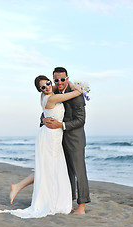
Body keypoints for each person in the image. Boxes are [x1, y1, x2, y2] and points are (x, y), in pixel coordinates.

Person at [7, 75, 82, 218]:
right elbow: (76, 93)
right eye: (43, 86)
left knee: (47, 169)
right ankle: (19, 187)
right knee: (48, 169)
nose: (47, 87)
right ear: (39, 90)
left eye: (48, 83)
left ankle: (18, 186)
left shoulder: (46, 93)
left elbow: (63, 85)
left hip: (51, 135)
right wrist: (77, 88)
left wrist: (71, 83)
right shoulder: (51, 98)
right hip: (50, 138)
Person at [42, 67, 91, 214]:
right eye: (56, 80)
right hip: (59, 139)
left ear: (67, 79)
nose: (59, 82)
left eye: (62, 79)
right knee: (66, 172)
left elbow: (81, 120)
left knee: (79, 171)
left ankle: (81, 206)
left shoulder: (77, 95)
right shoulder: (53, 93)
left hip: (75, 139)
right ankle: (68, 203)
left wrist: (61, 125)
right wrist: (43, 120)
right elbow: (46, 110)